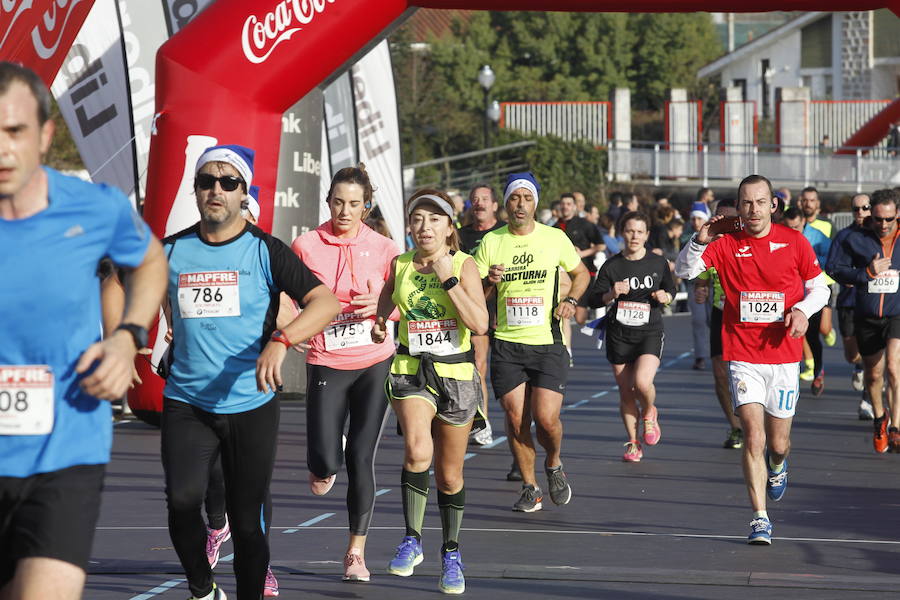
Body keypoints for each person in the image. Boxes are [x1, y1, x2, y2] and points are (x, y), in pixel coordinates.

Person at [0, 62, 167, 599]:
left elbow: (149, 261)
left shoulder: (95, 209)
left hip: (64, 450)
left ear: (45, 135)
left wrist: (126, 337)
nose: (3, 148)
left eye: (15, 132)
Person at [160, 144, 339, 600]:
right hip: (187, 402)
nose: (216, 190)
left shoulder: (266, 251)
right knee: (182, 504)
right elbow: (117, 280)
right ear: (196, 191)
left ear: (244, 194)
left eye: (228, 182)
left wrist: (282, 340)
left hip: (250, 403)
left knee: (246, 522)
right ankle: (202, 589)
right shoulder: (171, 251)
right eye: (206, 182)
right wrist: (126, 337)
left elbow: (327, 302)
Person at [675, 174, 828, 545]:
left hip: (784, 358)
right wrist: (700, 240)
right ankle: (759, 518)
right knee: (754, 438)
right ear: (738, 207)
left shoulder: (794, 242)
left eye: (761, 202)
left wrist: (803, 312)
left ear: (773, 205)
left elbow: (820, 287)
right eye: (746, 203)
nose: (753, 210)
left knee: (777, 445)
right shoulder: (726, 244)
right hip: (743, 355)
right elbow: (683, 271)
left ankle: (778, 466)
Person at [373, 189, 488, 595]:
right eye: (418, 219)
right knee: (418, 451)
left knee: (449, 474)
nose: (425, 227)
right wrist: (379, 320)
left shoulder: (464, 264)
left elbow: (479, 324)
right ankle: (411, 539)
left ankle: (451, 552)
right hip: (411, 372)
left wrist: (448, 277)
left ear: (449, 226)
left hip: (455, 375)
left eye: (434, 219)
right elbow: (388, 296)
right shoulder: (400, 263)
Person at [291, 164, 399, 582]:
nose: (345, 211)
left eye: (354, 204)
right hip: (326, 359)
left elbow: (408, 300)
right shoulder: (305, 245)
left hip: (374, 359)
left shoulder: (387, 247)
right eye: (338, 202)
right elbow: (282, 294)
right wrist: (291, 327)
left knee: (361, 456)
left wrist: (382, 305)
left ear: (366, 206)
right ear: (328, 202)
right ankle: (325, 451)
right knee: (323, 466)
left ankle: (355, 551)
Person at [475, 172, 590, 512]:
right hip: (508, 344)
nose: (520, 204)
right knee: (514, 419)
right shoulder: (491, 242)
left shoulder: (554, 238)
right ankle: (530, 486)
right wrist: (489, 281)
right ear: (506, 204)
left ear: (535, 203)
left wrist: (572, 301)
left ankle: (553, 463)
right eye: (514, 198)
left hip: (547, 342)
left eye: (527, 198)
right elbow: (476, 297)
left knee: (547, 418)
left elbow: (580, 273)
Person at [584, 212, 676, 461]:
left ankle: (649, 411)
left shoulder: (658, 263)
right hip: (619, 334)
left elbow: (671, 288)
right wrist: (611, 293)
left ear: (647, 235)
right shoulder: (612, 266)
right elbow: (593, 298)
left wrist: (666, 296)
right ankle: (633, 443)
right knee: (626, 392)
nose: (634, 236)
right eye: (630, 231)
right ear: (622, 233)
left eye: (639, 232)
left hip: (649, 331)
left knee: (643, 383)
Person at [826, 188, 900, 453]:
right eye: (877, 218)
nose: (882, 225)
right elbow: (833, 268)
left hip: (896, 313)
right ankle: (881, 418)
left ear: (897, 214)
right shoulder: (853, 237)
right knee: (874, 374)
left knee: (894, 366)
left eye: (888, 219)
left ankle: (896, 428)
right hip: (866, 314)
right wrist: (866, 273)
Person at [458, 183, 506, 447]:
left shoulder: (504, 233)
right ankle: (481, 421)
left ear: (495, 205)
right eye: (474, 199)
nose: (479, 203)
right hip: (475, 305)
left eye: (484, 199)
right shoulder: (461, 236)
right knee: (478, 366)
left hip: (506, 308)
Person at [694, 199, 743, 449]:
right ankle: (736, 427)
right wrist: (700, 291)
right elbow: (700, 280)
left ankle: (755, 421)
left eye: (729, 220)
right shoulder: (709, 248)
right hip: (720, 314)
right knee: (720, 373)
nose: (723, 225)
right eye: (719, 219)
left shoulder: (747, 244)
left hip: (748, 318)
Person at [825, 194, 871, 418]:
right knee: (852, 355)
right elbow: (831, 267)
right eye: (856, 209)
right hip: (849, 303)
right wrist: (850, 276)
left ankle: (868, 401)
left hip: (874, 304)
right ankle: (860, 364)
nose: (860, 212)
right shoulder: (844, 236)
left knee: (879, 356)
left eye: (865, 208)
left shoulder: (882, 236)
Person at [782, 207, 832, 396]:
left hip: (814, 293)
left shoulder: (817, 237)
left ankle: (818, 370)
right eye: (789, 228)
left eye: (797, 227)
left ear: (804, 222)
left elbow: (830, 259)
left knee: (815, 334)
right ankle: (793, 373)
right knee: (796, 335)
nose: (794, 231)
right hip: (793, 295)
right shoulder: (781, 237)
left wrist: (808, 259)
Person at [686, 209, 712, 370]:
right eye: (693, 218)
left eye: (699, 218)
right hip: (695, 284)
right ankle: (700, 356)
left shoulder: (716, 236)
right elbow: (679, 258)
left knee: (714, 320)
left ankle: (721, 354)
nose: (696, 222)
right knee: (699, 321)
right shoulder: (686, 236)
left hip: (714, 284)